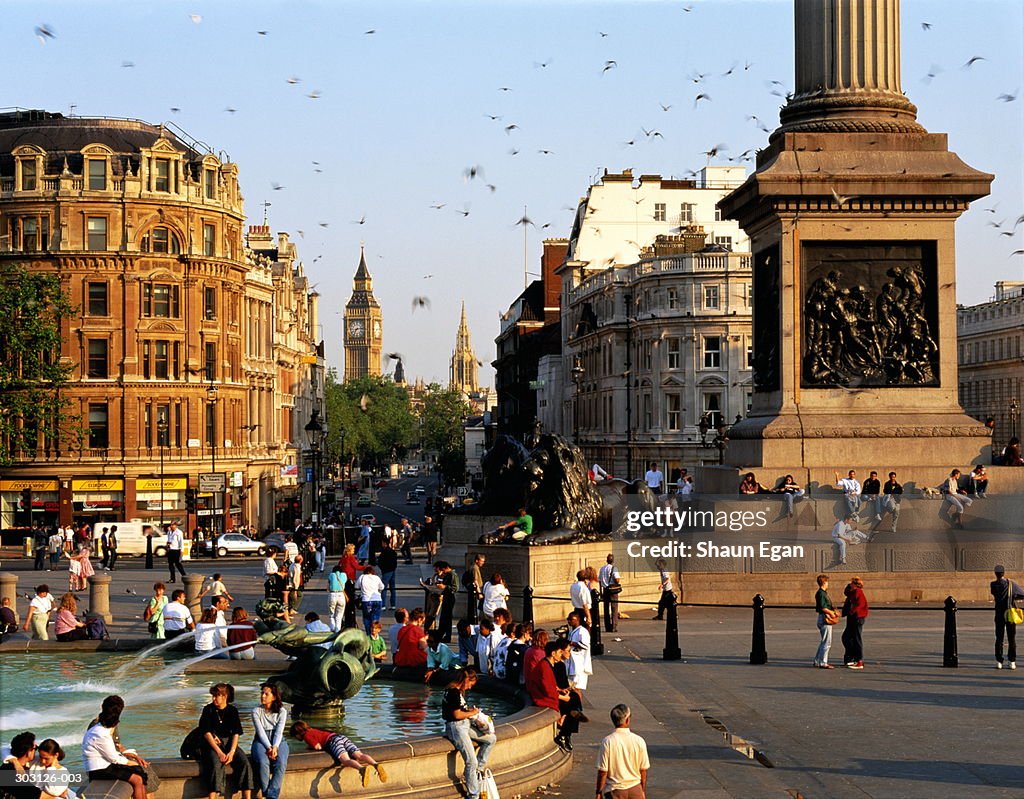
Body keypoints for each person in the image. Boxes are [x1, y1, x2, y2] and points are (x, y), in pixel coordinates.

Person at [82, 697, 153, 799]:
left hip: (104, 765)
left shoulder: (100, 728)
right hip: (98, 769)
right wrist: (132, 762)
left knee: (139, 773)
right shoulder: (100, 733)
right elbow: (114, 758)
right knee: (137, 779)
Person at [442, 669, 496, 799]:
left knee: (491, 739)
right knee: (471, 761)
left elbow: (460, 710)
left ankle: (479, 770)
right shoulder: (453, 692)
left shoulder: (457, 692)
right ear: (466, 680)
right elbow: (456, 714)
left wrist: (470, 711)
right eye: (471, 683)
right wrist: (472, 713)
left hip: (464, 725)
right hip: (456, 727)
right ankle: (473, 794)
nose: (471, 687)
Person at [197, 684, 254, 799]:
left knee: (245, 763)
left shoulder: (232, 710)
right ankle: (212, 797)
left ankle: (246, 796)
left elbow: (236, 733)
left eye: (216, 696)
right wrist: (219, 752)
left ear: (225, 696)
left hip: (229, 743)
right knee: (215, 764)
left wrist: (232, 752)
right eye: (213, 696)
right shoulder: (208, 709)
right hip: (212, 744)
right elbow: (206, 733)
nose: (213, 698)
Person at [291, 721, 387, 786]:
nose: (296, 738)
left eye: (295, 736)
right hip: (340, 737)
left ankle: (361, 769)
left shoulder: (306, 736)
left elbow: (318, 747)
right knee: (359, 755)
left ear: (298, 733)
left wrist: (309, 747)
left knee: (345, 760)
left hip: (333, 741)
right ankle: (375, 764)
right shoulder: (312, 730)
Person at [595, 703, 650, 799]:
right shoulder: (639, 741)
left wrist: (599, 791)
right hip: (635, 788)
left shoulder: (608, 741)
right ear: (627, 720)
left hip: (615, 790)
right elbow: (643, 770)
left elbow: (603, 772)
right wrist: (642, 790)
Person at [250, 684, 288, 799]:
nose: (263, 696)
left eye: (266, 694)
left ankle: (271, 796)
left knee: (281, 762)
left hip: (279, 740)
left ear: (274, 696)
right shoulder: (256, 711)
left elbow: (279, 731)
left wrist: (275, 747)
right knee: (262, 762)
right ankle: (269, 795)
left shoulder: (282, 711)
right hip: (261, 740)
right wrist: (269, 747)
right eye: (262, 693)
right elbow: (260, 732)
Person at [991, 565, 1024, 669]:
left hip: (999, 614)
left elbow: (995, 594)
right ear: (1004, 573)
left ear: (995, 574)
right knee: (1011, 638)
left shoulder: (993, 584)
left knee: (999, 638)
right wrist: (1013, 597)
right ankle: (1012, 661)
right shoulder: (1011, 583)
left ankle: (999, 661)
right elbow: (1022, 594)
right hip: (1010, 614)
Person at [2, 732, 42, 799]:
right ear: (28, 752)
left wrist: (15, 762)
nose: (36, 751)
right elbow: (39, 796)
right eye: (36, 748)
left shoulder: (8, 764)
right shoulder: (11, 774)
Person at [841, 576, 869, 669]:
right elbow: (846, 592)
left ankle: (859, 660)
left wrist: (851, 611)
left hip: (857, 617)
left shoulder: (858, 592)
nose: (850, 584)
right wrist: (848, 586)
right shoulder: (852, 592)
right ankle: (852, 657)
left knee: (856, 638)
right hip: (852, 617)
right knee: (847, 637)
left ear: (855, 584)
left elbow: (860, 605)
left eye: (852, 583)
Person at [813, 574, 838, 669]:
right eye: (827, 582)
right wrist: (832, 613)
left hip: (822, 617)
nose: (828, 584)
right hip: (824, 618)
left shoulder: (821, 593)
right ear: (824, 582)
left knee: (824, 641)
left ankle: (817, 660)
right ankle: (823, 662)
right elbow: (823, 607)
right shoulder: (822, 593)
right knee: (827, 642)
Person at [566, 610, 593, 691]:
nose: (569, 621)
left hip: (579, 665)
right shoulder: (571, 632)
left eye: (571, 619)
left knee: (577, 689)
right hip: (571, 664)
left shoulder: (582, 631)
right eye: (568, 619)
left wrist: (571, 643)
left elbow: (585, 645)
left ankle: (578, 703)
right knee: (572, 688)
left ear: (577, 620)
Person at [355, 565, 385, 636]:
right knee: (375, 618)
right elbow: (382, 587)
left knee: (367, 618)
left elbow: (356, 586)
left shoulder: (362, 577)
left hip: (366, 600)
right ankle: (375, 633)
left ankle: (369, 634)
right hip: (377, 599)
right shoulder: (376, 577)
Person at [598, 554, 622, 633]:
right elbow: (617, 580)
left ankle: (607, 626)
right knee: (614, 608)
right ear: (613, 560)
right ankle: (614, 626)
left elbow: (600, 581)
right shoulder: (614, 568)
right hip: (613, 590)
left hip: (605, 589)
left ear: (607, 560)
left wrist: (601, 592)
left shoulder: (602, 569)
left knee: (606, 609)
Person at [463, 553, 486, 621]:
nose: (483, 563)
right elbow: (475, 581)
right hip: (475, 591)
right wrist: (479, 592)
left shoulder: (474, 567)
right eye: (482, 561)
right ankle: (474, 622)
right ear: (477, 560)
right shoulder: (474, 568)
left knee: (474, 608)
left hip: (475, 590)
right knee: (475, 609)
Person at [377, 540, 398, 610]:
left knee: (383, 588)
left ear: (384, 543)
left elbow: (379, 561)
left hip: (386, 571)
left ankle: (383, 605)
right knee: (393, 588)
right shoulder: (392, 551)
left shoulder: (384, 552)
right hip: (392, 570)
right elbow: (395, 561)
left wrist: (382, 568)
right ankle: (393, 604)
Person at [327, 565, 348, 632]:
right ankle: (337, 630)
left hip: (332, 594)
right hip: (341, 595)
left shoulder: (331, 575)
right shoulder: (344, 575)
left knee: (331, 613)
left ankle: (332, 628)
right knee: (339, 615)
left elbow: (328, 585)